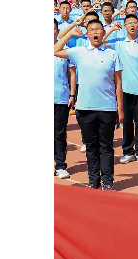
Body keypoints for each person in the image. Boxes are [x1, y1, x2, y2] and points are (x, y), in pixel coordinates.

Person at [55, 19, 125, 190]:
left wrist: (120, 109)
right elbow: (55, 50)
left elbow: (118, 83)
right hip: (85, 108)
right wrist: (70, 34)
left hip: (107, 108)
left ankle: (107, 182)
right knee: (91, 147)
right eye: (91, 30)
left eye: (98, 29)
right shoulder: (79, 52)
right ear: (87, 34)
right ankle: (93, 181)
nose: (95, 32)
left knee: (106, 147)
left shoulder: (112, 54)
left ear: (103, 33)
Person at [107, 14, 138, 164]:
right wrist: (111, 30)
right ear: (125, 26)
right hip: (124, 89)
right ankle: (128, 151)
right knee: (126, 121)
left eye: (134, 22)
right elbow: (102, 42)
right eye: (129, 23)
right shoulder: (119, 44)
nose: (132, 25)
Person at [54, 19, 77, 178]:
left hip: (60, 97)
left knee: (60, 132)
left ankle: (61, 165)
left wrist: (72, 94)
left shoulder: (66, 51)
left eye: (52, 29)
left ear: (58, 31)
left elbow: (72, 74)